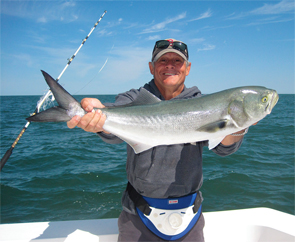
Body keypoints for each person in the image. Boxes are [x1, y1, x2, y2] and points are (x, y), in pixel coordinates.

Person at [67, 39, 252, 241]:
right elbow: (113, 134)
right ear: (151, 67)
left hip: (189, 216)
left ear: (188, 68)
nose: (170, 66)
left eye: (177, 61)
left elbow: (224, 149)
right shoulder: (134, 99)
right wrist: (97, 117)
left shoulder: (203, 104)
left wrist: (238, 126)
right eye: (163, 60)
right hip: (138, 216)